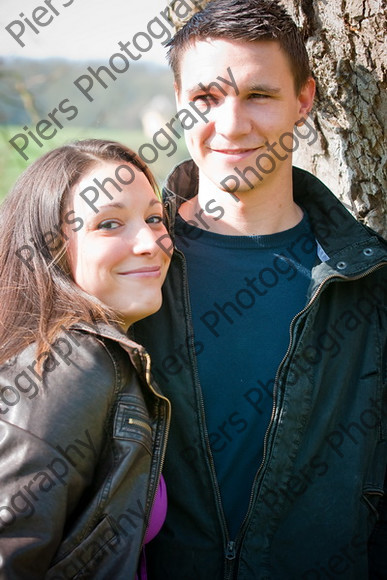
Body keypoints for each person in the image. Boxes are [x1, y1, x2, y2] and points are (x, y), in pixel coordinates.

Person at [132, 1, 387, 578]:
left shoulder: (369, 283)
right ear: (179, 105)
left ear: (304, 101)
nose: (231, 124)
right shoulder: (124, 270)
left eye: (259, 95)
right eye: (206, 98)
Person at [0, 139, 171, 579]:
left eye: (154, 218)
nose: (150, 242)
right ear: (50, 247)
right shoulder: (73, 363)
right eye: (110, 224)